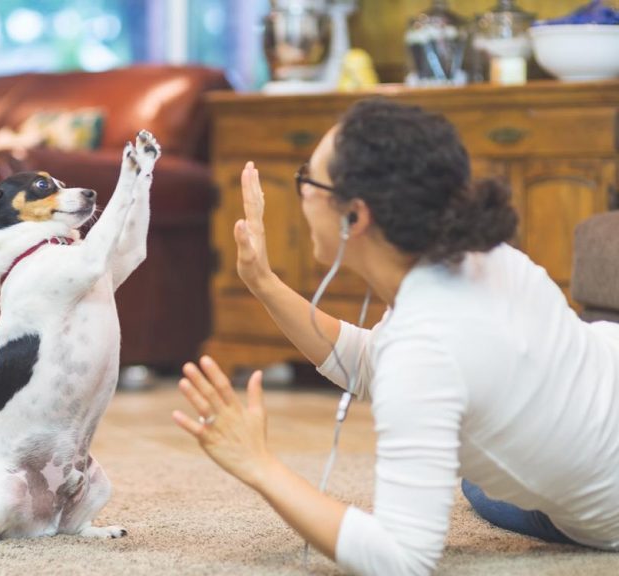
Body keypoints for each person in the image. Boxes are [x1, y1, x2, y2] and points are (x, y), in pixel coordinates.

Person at [171, 98, 619, 575]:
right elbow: (374, 363)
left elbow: (401, 559)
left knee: (477, 487)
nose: (301, 195)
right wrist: (261, 279)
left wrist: (258, 464)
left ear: (355, 217)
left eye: (309, 181)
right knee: (476, 483)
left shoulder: (424, 349)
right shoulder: (479, 256)